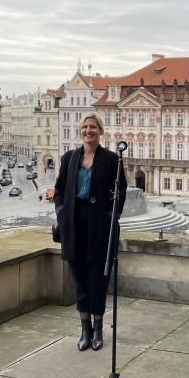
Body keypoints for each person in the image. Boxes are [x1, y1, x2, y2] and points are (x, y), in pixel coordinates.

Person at [54, 113, 127, 352]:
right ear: (80, 131)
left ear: (100, 131)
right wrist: (62, 213)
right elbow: (60, 190)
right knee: (80, 279)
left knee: (98, 278)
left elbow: (121, 192)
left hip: (100, 227)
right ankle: (84, 329)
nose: (88, 130)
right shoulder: (69, 158)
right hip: (74, 224)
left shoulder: (112, 160)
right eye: (85, 127)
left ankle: (98, 329)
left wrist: (110, 217)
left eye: (93, 127)